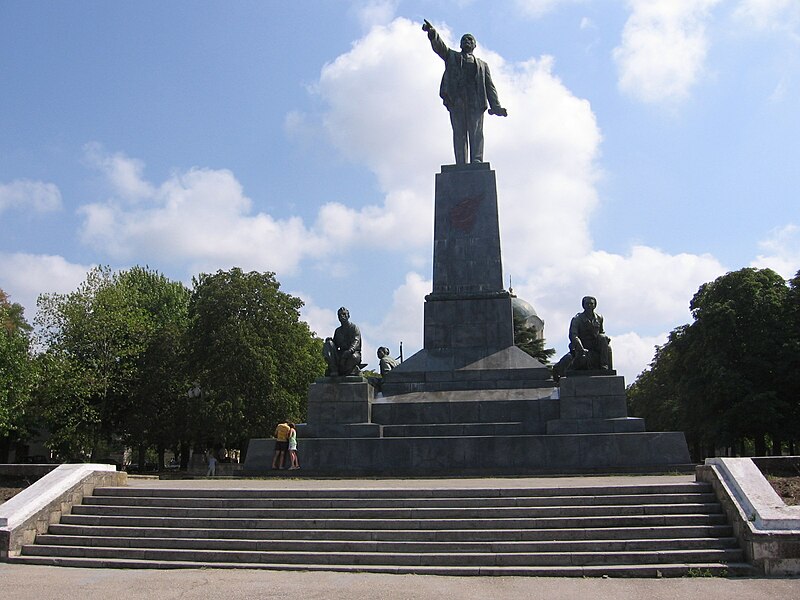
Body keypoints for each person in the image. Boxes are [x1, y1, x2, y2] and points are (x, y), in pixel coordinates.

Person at [422, 19, 508, 165]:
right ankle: (461, 162)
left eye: (470, 39)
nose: (467, 41)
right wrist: (433, 34)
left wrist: (496, 106)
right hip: (457, 101)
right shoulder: (452, 56)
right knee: (459, 133)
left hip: (476, 102)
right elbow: (441, 48)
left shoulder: (482, 65)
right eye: (464, 39)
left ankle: (477, 160)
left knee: (476, 133)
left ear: (474, 45)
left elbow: (489, 86)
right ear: (460, 44)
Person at [323, 307, 362, 377]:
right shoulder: (338, 331)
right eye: (339, 315)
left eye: (344, 314)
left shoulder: (354, 328)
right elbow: (335, 345)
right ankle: (334, 369)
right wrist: (330, 341)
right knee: (328, 343)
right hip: (341, 353)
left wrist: (349, 351)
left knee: (354, 357)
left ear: (348, 316)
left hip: (352, 353)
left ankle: (350, 370)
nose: (342, 316)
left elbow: (356, 341)